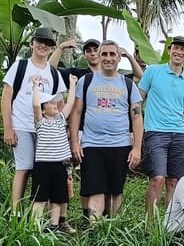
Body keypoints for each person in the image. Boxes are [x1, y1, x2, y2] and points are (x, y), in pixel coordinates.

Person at [50, 38, 142, 220]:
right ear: (99, 57)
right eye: (104, 54)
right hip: (92, 145)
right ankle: (94, 226)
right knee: (95, 189)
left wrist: (137, 148)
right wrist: (75, 142)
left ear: (118, 58)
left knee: (116, 190)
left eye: (112, 54)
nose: (108, 58)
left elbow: (137, 116)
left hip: (120, 144)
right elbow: (76, 112)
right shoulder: (86, 81)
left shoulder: (128, 84)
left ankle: (113, 227)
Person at [1, 27, 67, 213]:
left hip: (46, 129)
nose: (43, 46)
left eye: (48, 44)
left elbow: (60, 104)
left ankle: (41, 212)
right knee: (24, 167)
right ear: (32, 44)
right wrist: (8, 127)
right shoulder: (20, 66)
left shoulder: (54, 74)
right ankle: (16, 212)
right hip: (21, 124)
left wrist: (62, 131)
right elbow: (6, 97)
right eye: (39, 41)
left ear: (52, 48)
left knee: (44, 168)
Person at [139, 36, 184, 216]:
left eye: (183, 50)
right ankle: (150, 224)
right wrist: (135, 130)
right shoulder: (153, 72)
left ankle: (169, 224)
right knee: (157, 178)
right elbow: (137, 101)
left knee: (174, 181)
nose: (179, 52)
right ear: (169, 50)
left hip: (179, 135)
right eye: (176, 48)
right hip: (155, 132)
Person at [30, 76, 76, 233]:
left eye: (54, 102)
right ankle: (34, 227)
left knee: (58, 198)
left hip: (61, 164)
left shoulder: (61, 119)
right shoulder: (40, 122)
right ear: (43, 109)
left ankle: (54, 226)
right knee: (40, 198)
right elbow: (35, 104)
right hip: (43, 165)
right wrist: (36, 86)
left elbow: (70, 103)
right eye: (50, 103)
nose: (55, 104)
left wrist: (72, 84)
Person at [49, 38, 143, 82]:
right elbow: (49, 72)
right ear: (84, 55)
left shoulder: (115, 77)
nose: (93, 53)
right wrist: (61, 47)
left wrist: (130, 57)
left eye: (96, 50)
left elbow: (139, 77)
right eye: (89, 51)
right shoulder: (77, 74)